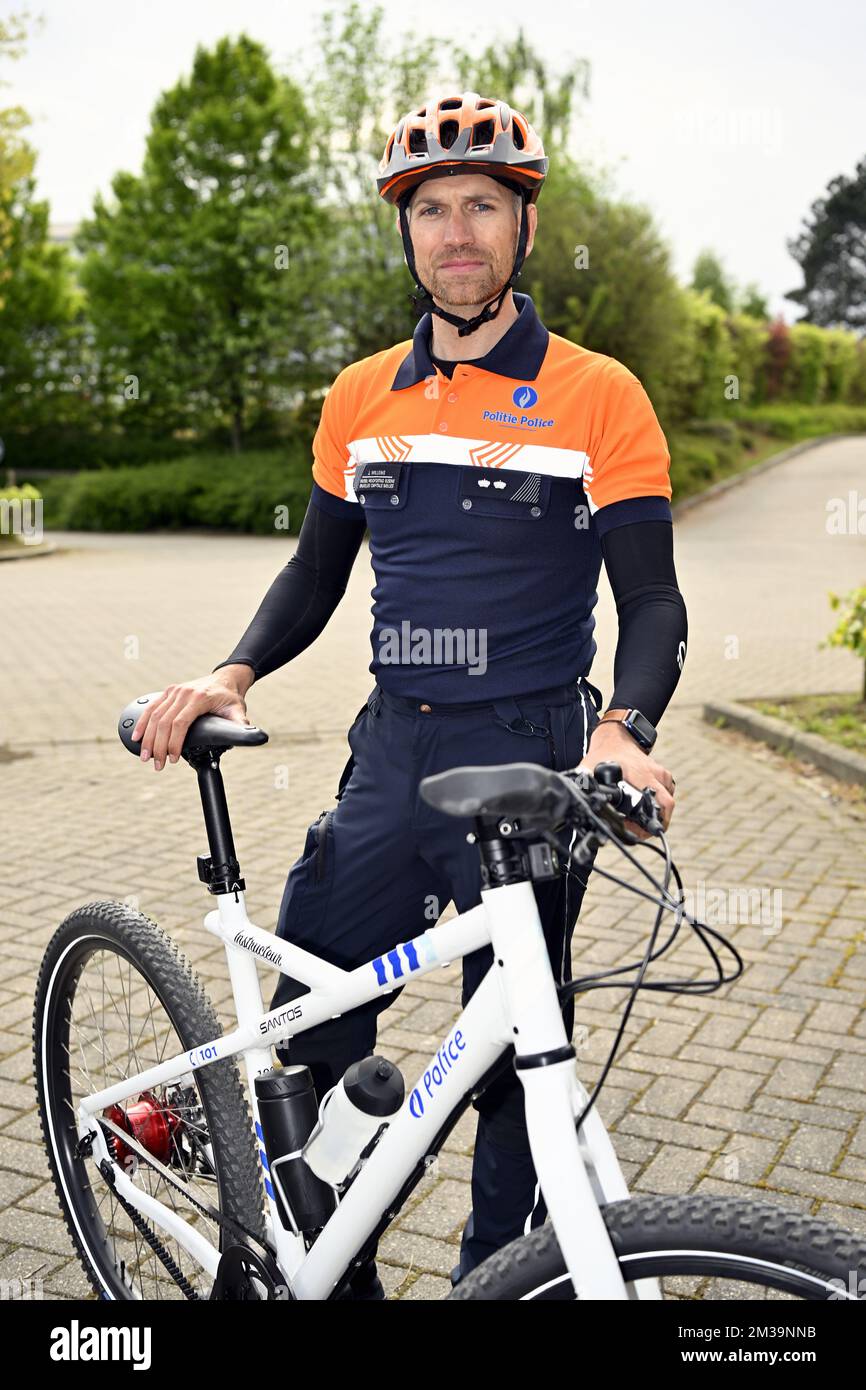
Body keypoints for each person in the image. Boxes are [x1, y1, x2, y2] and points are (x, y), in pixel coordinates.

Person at [132, 91, 687, 1298]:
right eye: (431, 209)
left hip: (537, 749)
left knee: (516, 1051)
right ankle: (324, 1266)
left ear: (523, 228)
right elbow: (315, 567)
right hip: (393, 745)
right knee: (317, 1023)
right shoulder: (360, 394)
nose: (455, 231)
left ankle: (497, 1275)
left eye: (481, 205)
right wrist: (230, 668)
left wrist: (620, 731)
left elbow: (650, 600)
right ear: (406, 231)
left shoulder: (599, 394)